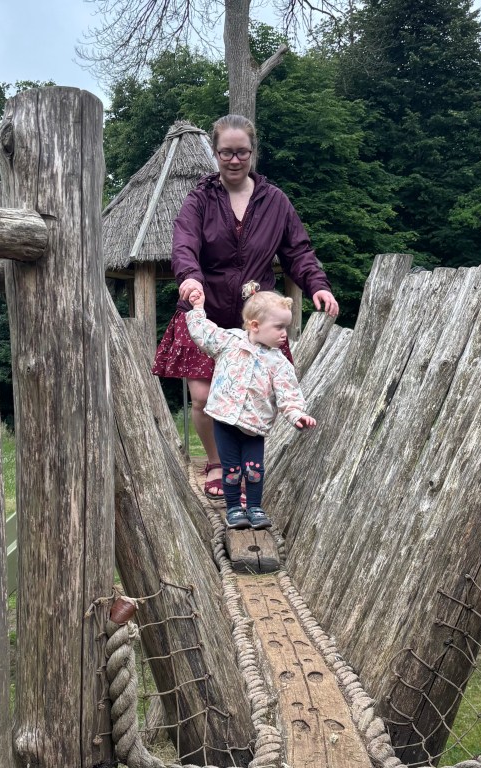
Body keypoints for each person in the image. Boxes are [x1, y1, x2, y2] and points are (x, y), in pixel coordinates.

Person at [151, 113, 338, 500]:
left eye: (242, 153)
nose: (234, 160)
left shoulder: (275, 201)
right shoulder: (199, 200)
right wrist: (189, 278)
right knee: (203, 397)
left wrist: (317, 285)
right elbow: (184, 244)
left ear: (252, 153)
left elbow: (298, 252)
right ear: (216, 154)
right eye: (226, 153)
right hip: (209, 312)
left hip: (257, 320)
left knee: (254, 396)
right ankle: (218, 462)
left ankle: (245, 471)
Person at [184, 286, 316, 529]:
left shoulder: (279, 363)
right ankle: (234, 509)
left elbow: (289, 394)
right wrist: (198, 308)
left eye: (285, 327)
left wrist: (297, 414)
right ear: (255, 326)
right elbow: (204, 333)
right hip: (224, 422)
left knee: (254, 470)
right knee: (232, 470)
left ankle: (255, 507)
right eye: (279, 327)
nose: (284, 334)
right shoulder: (230, 342)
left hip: (255, 427)